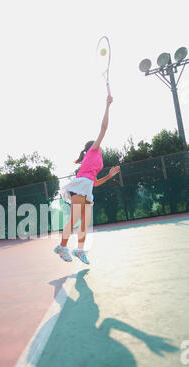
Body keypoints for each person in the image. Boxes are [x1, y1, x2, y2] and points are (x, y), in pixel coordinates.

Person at [54, 94, 120, 264]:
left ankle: (79, 250)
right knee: (75, 219)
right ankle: (61, 247)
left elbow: (95, 183)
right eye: (98, 144)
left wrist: (109, 176)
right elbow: (104, 128)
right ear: (92, 147)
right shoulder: (93, 151)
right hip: (81, 185)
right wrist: (107, 105)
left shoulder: (96, 162)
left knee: (86, 222)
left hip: (88, 187)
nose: (100, 146)